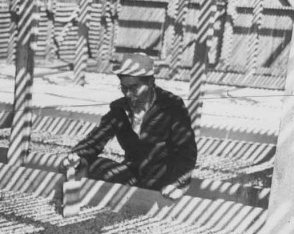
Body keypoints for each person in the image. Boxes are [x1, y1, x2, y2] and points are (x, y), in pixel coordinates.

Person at [62, 53, 197, 200]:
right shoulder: (120, 109)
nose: (129, 94)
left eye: (134, 88)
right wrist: (77, 156)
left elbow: (186, 150)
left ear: (151, 82)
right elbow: (96, 138)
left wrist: (178, 182)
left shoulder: (172, 106)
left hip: (163, 179)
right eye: (124, 88)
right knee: (94, 164)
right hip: (133, 176)